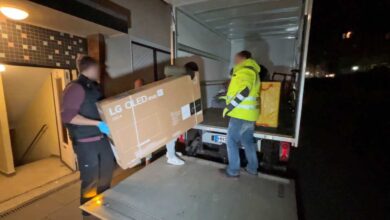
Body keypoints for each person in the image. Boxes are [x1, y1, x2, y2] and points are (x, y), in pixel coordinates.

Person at [61, 56, 115, 215]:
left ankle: (102, 205)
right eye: (98, 68)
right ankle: (88, 214)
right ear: (91, 68)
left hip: (102, 140)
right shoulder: (75, 88)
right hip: (85, 143)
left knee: (106, 173)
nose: (100, 71)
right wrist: (97, 124)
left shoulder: (94, 87)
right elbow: (68, 117)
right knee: (90, 180)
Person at [222, 50, 261, 177]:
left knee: (231, 141)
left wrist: (229, 106)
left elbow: (245, 90)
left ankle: (233, 170)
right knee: (247, 142)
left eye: (237, 58)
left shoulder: (246, 69)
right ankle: (252, 168)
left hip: (240, 114)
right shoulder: (250, 70)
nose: (235, 60)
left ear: (244, 58)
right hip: (249, 115)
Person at [133, 78, 185, 166]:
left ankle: (170, 153)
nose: (139, 88)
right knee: (150, 141)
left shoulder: (148, 95)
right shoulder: (134, 99)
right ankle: (150, 162)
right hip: (146, 125)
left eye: (141, 85)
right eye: (138, 86)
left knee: (172, 130)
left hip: (154, 121)